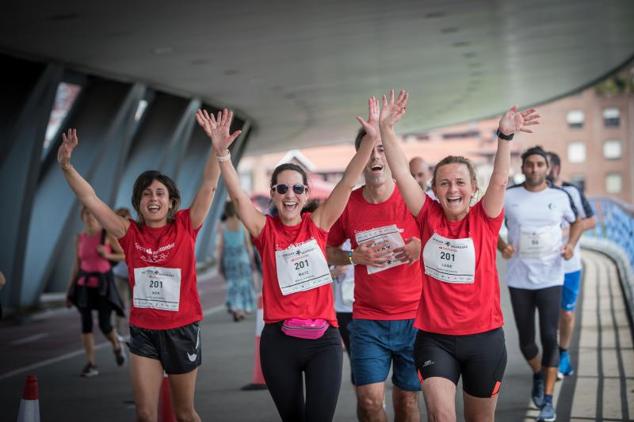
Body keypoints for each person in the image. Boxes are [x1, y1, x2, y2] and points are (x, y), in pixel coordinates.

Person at [197, 99, 379, 422]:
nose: (290, 194)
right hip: (278, 343)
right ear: (273, 193)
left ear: (307, 193)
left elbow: (348, 181)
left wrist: (371, 140)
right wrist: (223, 154)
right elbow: (238, 196)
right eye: (282, 188)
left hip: (324, 341)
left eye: (297, 188)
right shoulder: (263, 231)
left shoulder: (319, 223)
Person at [379, 89, 540, 421]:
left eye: (460, 183)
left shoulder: (485, 217)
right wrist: (387, 129)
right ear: (435, 190)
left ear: (473, 188)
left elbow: (499, 180)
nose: (453, 189)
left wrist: (505, 136)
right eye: (444, 183)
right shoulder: (427, 215)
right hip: (435, 339)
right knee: (441, 417)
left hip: (484, 340)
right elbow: (402, 175)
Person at [58, 107, 224, 421]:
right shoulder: (128, 233)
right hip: (144, 332)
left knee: (184, 412)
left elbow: (208, 185)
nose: (154, 198)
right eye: (146, 193)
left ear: (171, 201)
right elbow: (91, 199)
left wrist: (218, 150)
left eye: (160, 193)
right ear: (138, 202)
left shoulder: (186, 225)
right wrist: (67, 167)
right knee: (146, 414)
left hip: (181, 330)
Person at [326, 122, 423, 421]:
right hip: (368, 320)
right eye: (368, 151)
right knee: (369, 402)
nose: (375, 158)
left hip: (414, 317)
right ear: (359, 158)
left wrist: (420, 245)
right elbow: (326, 250)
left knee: (407, 401)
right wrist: (353, 256)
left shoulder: (413, 198)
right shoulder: (348, 204)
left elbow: (443, 236)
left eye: (381, 150)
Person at [498, 145, 583, 422]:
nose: (534, 169)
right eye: (529, 164)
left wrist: (570, 244)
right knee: (526, 342)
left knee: (549, 337)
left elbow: (578, 222)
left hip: (551, 276)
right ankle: (537, 372)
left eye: (539, 164)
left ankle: (547, 400)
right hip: (519, 278)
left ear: (548, 168)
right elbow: (489, 223)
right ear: (522, 168)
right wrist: (502, 246)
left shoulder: (560, 196)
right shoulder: (509, 196)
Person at [546, 151, 596, 379]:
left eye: (542, 166)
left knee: (566, 313)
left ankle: (563, 353)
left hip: (569, 263)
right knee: (548, 316)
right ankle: (551, 361)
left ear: (555, 169)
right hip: (541, 266)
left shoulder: (572, 191)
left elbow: (592, 219)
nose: (535, 171)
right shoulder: (531, 193)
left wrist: (570, 230)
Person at [66, 206, 126, 377]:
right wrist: (69, 291)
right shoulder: (80, 238)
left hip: (103, 285)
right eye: (87, 214)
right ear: (82, 217)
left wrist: (107, 256)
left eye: (93, 214)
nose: (90, 218)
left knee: (104, 325)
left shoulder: (106, 235)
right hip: (84, 284)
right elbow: (76, 266)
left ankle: (116, 345)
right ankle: (91, 363)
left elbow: (124, 255)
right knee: (86, 325)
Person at [218, 200, 256, 321]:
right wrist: (252, 260)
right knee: (244, 283)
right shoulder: (242, 224)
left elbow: (221, 247)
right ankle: (244, 308)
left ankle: (236, 308)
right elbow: (248, 245)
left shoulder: (223, 226)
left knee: (232, 284)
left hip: (230, 260)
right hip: (242, 258)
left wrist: (219, 263)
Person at [330, 239, 355, 384]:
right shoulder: (336, 239)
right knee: (356, 359)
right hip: (345, 309)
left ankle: (375, 401)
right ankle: (367, 403)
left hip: (371, 308)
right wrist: (335, 271)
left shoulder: (369, 234)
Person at [112, 207, 132, 338]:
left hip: (135, 275)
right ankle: (118, 332)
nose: (124, 219)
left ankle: (136, 330)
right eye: (121, 217)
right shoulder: (113, 234)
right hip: (120, 275)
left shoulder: (136, 232)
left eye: (126, 217)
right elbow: (124, 254)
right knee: (120, 303)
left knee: (136, 304)